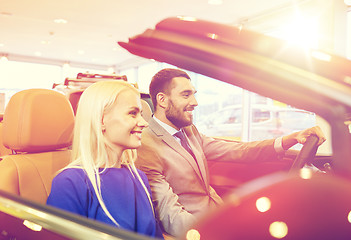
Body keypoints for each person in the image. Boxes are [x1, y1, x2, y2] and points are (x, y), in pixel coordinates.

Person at [135, 68, 326, 237]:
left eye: (194, 94)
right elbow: (171, 216)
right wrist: (218, 232)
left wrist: (290, 139)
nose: (195, 102)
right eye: (186, 95)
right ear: (162, 99)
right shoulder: (146, 145)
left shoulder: (189, 131)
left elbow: (238, 151)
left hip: (217, 212)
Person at [47, 80, 163, 239]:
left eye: (141, 114)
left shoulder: (139, 177)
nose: (144, 123)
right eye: (132, 113)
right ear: (101, 120)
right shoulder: (70, 182)